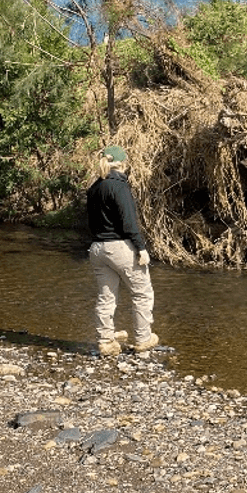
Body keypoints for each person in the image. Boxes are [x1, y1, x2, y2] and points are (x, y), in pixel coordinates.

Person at [86, 144, 158, 356]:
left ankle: (106, 341)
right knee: (142, 293)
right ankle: (143, 339)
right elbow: (129, 223)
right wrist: (141, 248)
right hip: (119, 247)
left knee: (105, 296)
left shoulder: (94, 188)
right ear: (123, 164)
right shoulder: (119, 187)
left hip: (97, 249)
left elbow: (91, 223)